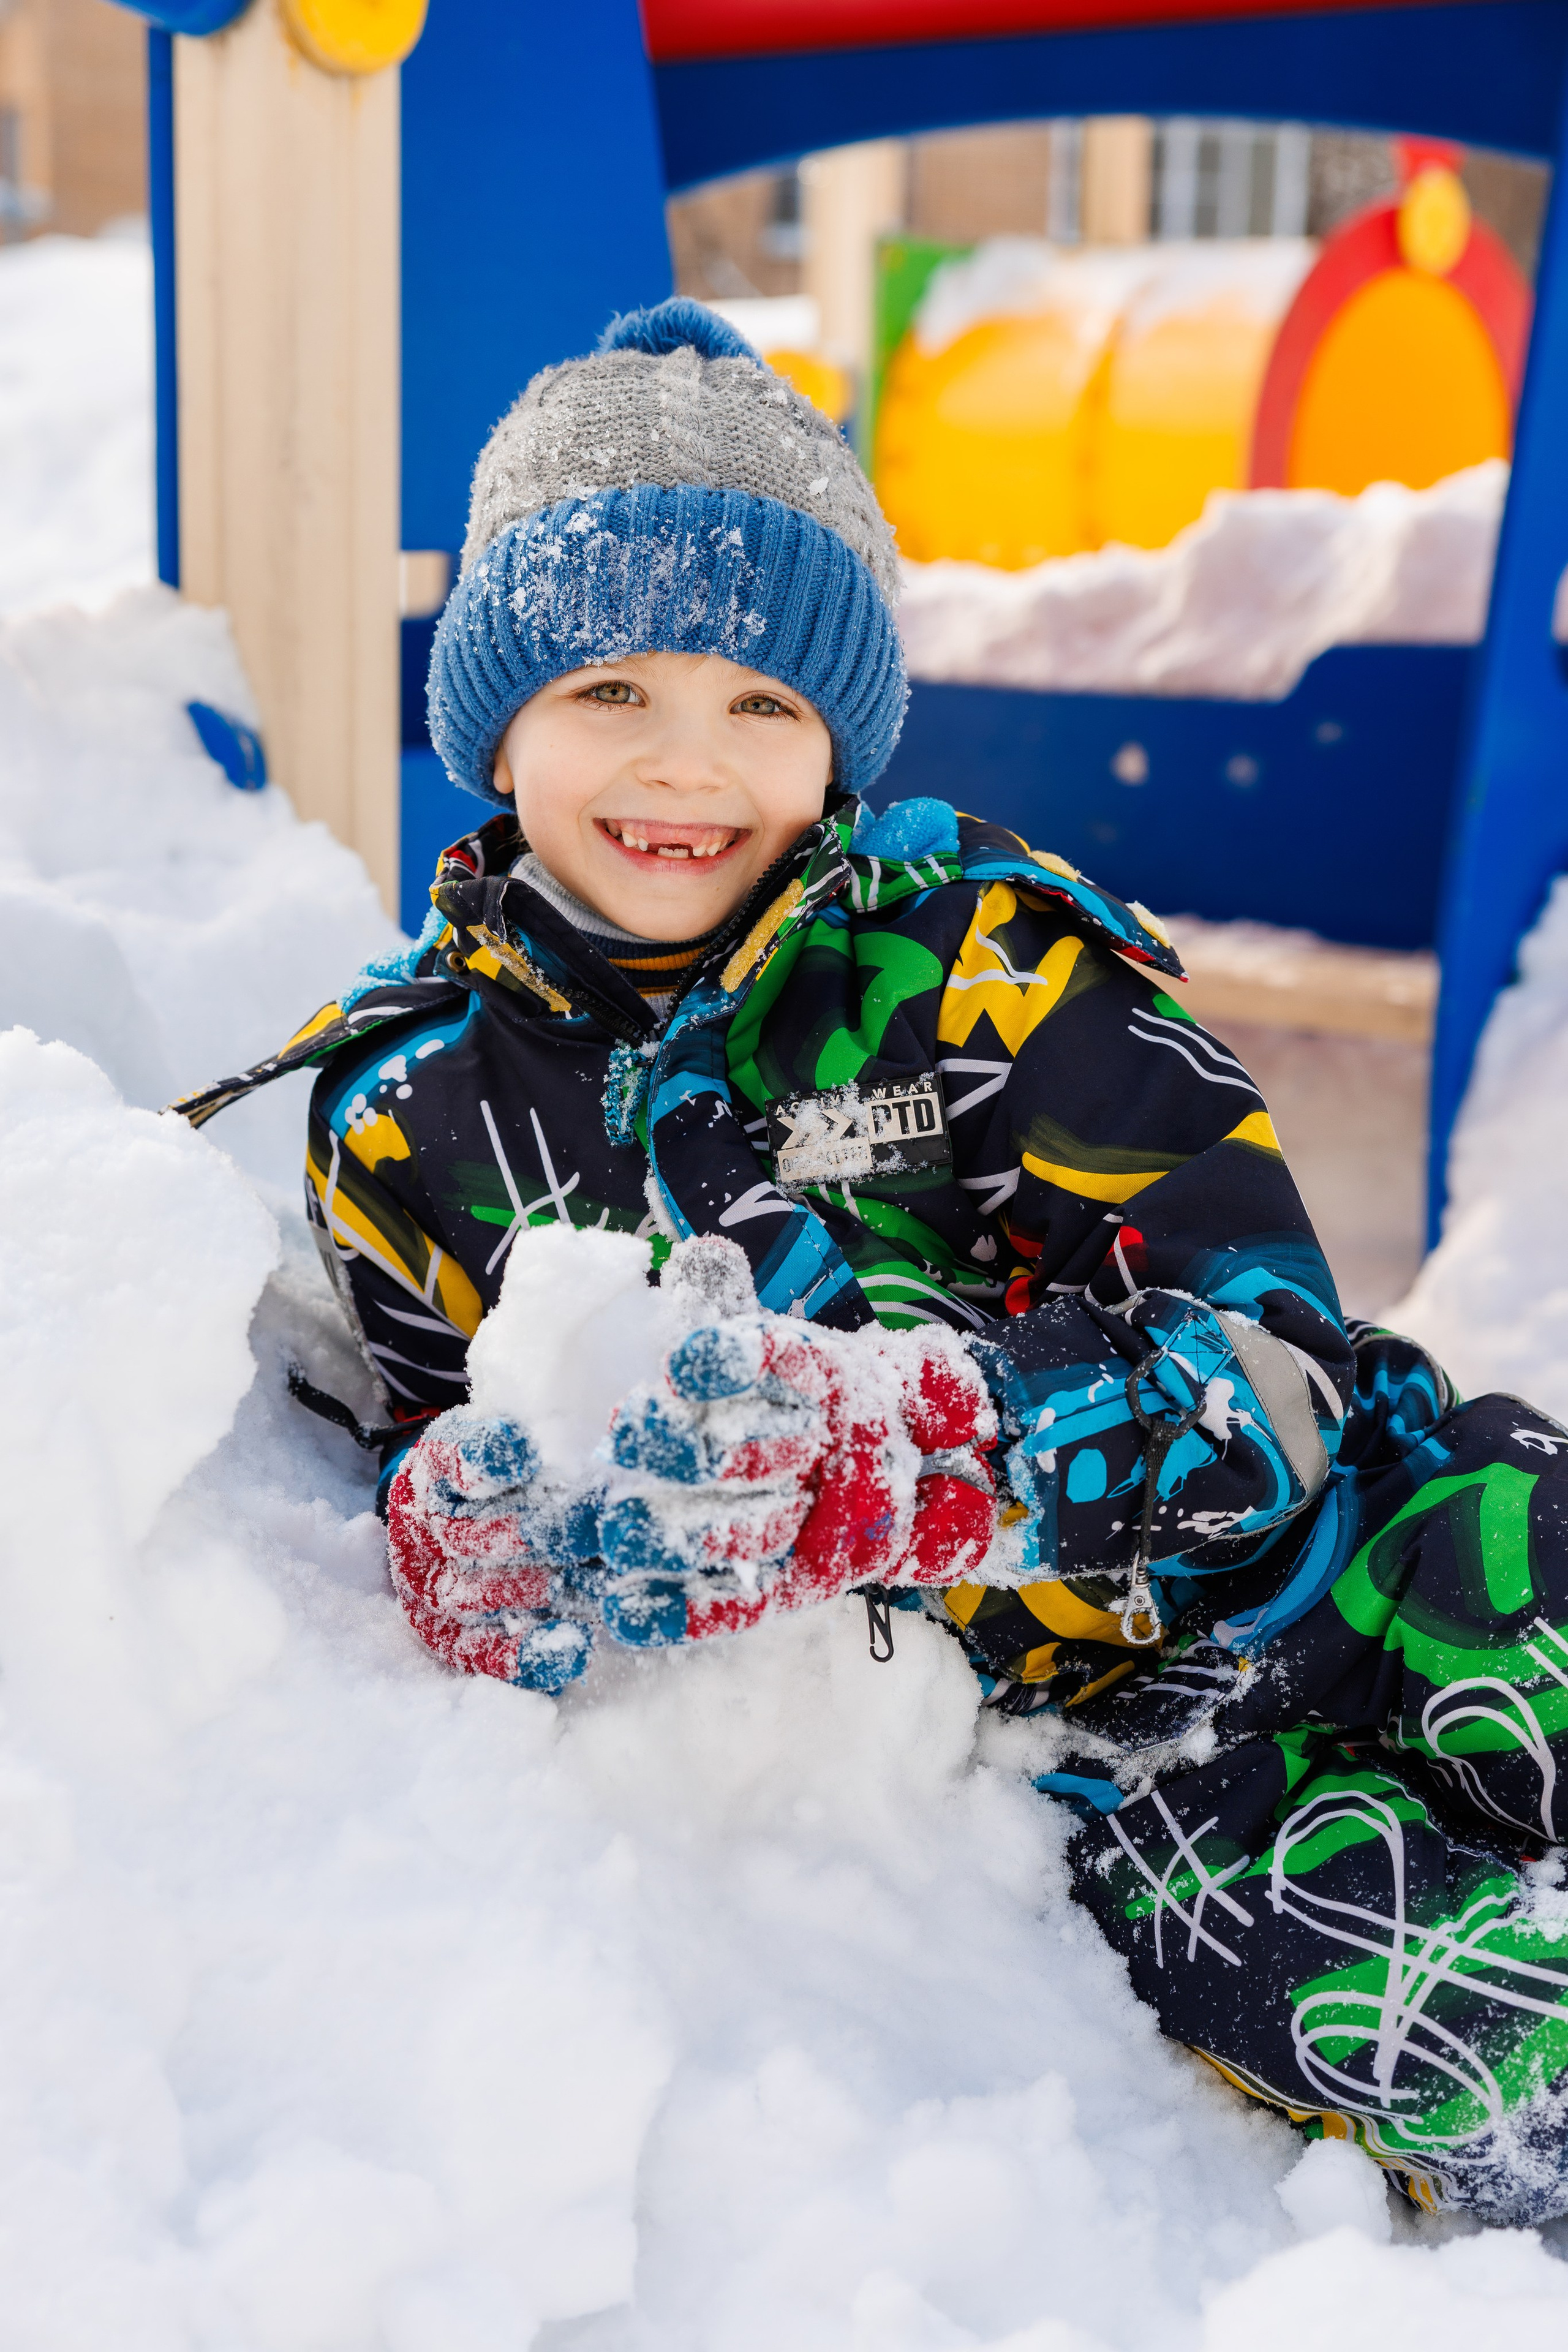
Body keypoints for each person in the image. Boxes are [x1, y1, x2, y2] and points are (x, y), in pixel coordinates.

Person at [178, 298, 1568, 2225]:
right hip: (1109, 1783)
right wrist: (475, 1537)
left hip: (1384, 1538)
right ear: (494, 716)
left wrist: (928, 1447)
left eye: (765, 703)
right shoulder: (409, 1106)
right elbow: (445, 1430)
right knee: (1470, 2044)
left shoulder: (986, 951)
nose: (690, 769)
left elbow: (1282, 1368)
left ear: (843, 733)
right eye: (611, 694)